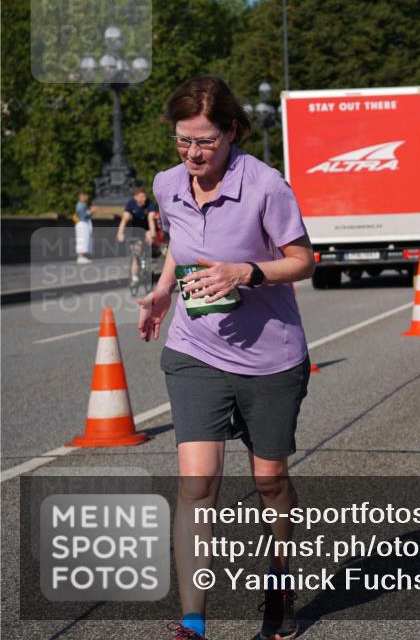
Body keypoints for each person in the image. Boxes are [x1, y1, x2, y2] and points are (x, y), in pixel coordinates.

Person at [138, 76, 314, 640]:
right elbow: (179, 247)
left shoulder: (265, 185)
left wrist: (248, 271)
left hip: (270, 357)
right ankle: (193, 620)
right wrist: (165, 291)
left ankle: (280, 582)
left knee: (269, 481)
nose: (193, 154)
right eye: (183, 141)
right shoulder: (169, 184)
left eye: (206, 142)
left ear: (233, 131)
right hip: (195, 352)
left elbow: (305, 260)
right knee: (197, 482)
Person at [117, 186, 160, 285]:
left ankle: (150, 265)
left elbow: (151, 220)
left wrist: (152, 233)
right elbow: (124, 220)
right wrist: (120, 233)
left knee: (151, 244)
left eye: (145, 197)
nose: (144, 199)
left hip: (148, 228)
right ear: (135, 197)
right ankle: (134, 277)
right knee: (136, 254)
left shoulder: (149, 204)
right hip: (136, 230)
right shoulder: (130, 204)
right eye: (141, 197)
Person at [74, 191, 95, 263]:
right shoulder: (81, 205)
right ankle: (81, 257)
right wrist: (91, 211)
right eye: (85, 196)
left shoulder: (82, 204)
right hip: (82, 223)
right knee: (82, 239)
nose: (87, 197)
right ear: (81, 196)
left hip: (83, 223)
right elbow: (82, 215)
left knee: (85, 239)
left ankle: (82, 256)